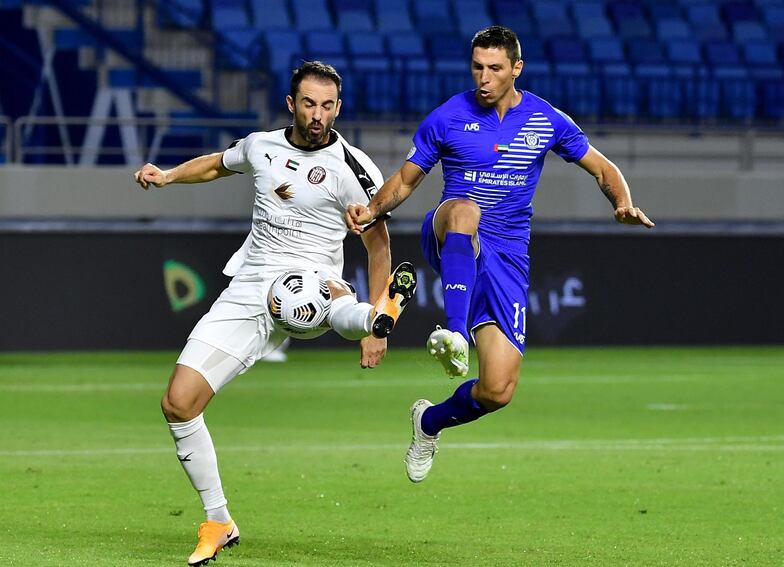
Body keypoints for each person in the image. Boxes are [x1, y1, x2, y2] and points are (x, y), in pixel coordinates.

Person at [134, 61, 416, 566]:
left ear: (338, 108)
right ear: (291, 103)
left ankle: (376, 319)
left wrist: (377, 324)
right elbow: (220, 163)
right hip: (248, 287)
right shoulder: (261, 146)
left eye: (328, 105)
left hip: (313, 282)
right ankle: (218, 521)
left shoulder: (355, 169)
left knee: (326, 303)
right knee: (178, 403)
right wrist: (168, 176)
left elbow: (377, 243)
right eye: (309, 103)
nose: (318, 115)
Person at [346, 26, 654, 483]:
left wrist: (622, 203)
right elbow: (407, 180)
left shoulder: (545, 119)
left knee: (498, 389)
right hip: (451, 227)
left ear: (516, 69)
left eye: (494, 68)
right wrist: (371, 209)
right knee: (467, 210)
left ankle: (428, 422)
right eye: (477, 67)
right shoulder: (449, 116)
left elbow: (603, 167)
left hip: (507, 256)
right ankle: (454, 334)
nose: (483, 78)